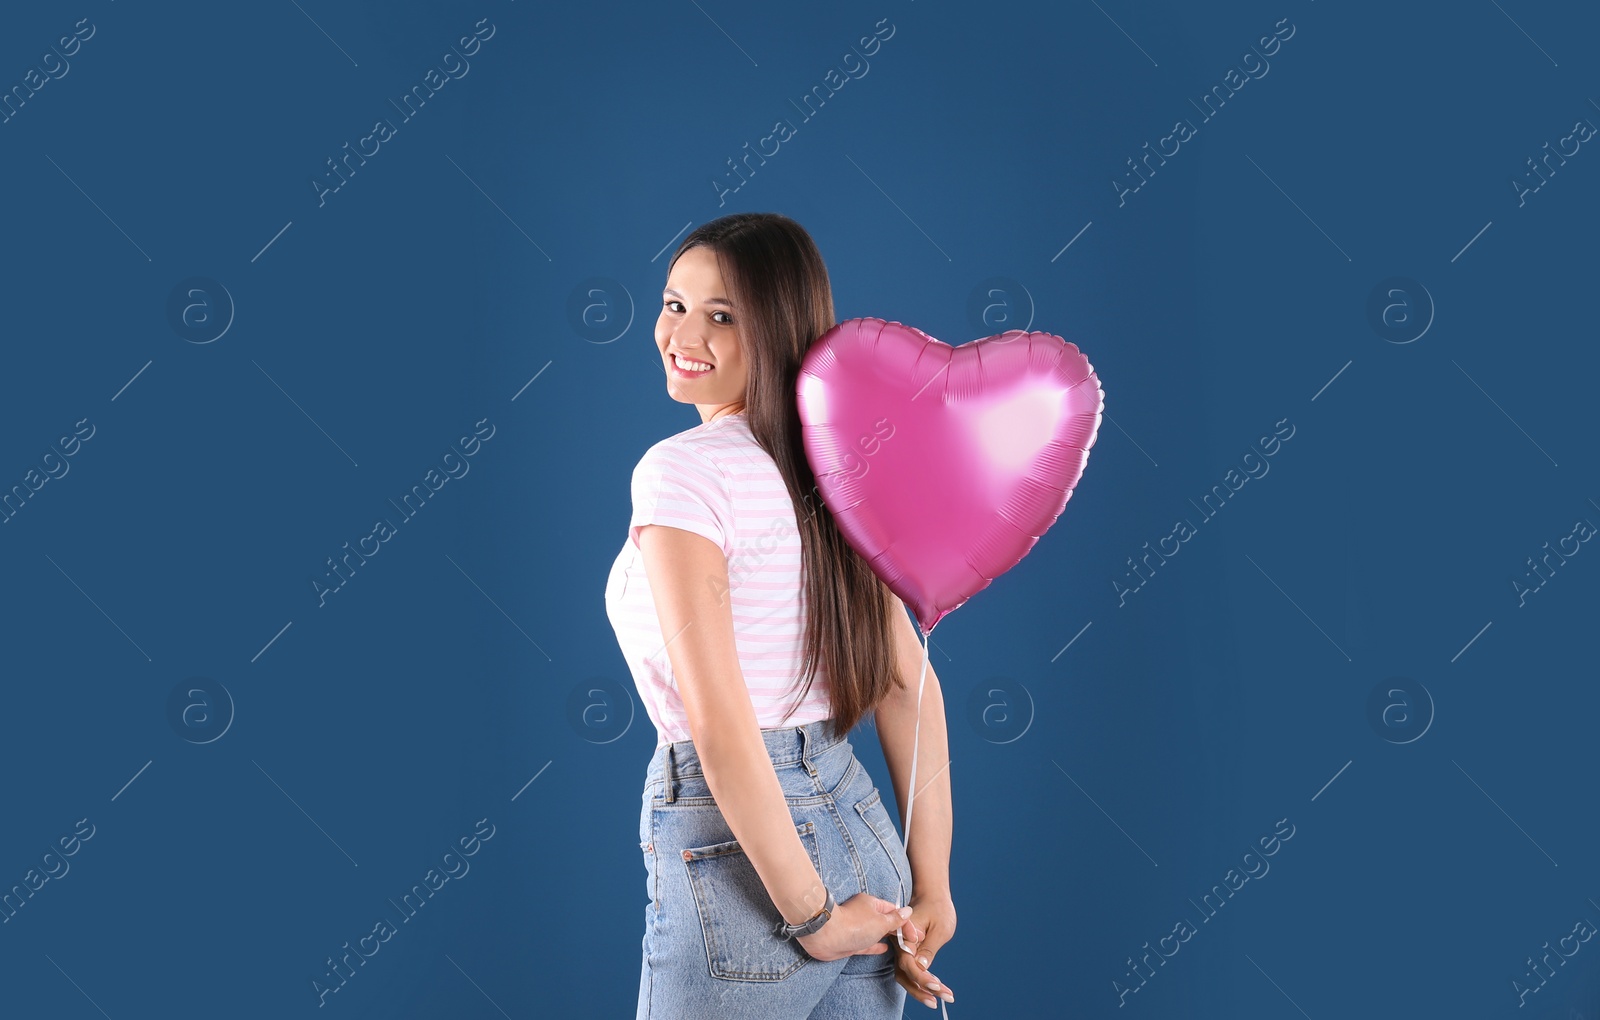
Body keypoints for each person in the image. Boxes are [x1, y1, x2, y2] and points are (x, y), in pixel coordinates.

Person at [605, 212, 957, 1017]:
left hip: (742, 852)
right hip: (863, 830)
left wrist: (812, 916)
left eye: (722, 316)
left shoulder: (681, 474)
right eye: (673, 303)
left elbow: (722, 724)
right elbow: (909, 685)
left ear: (778, 327)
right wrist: (931, 883)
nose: (682, 334)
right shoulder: (838, 465)